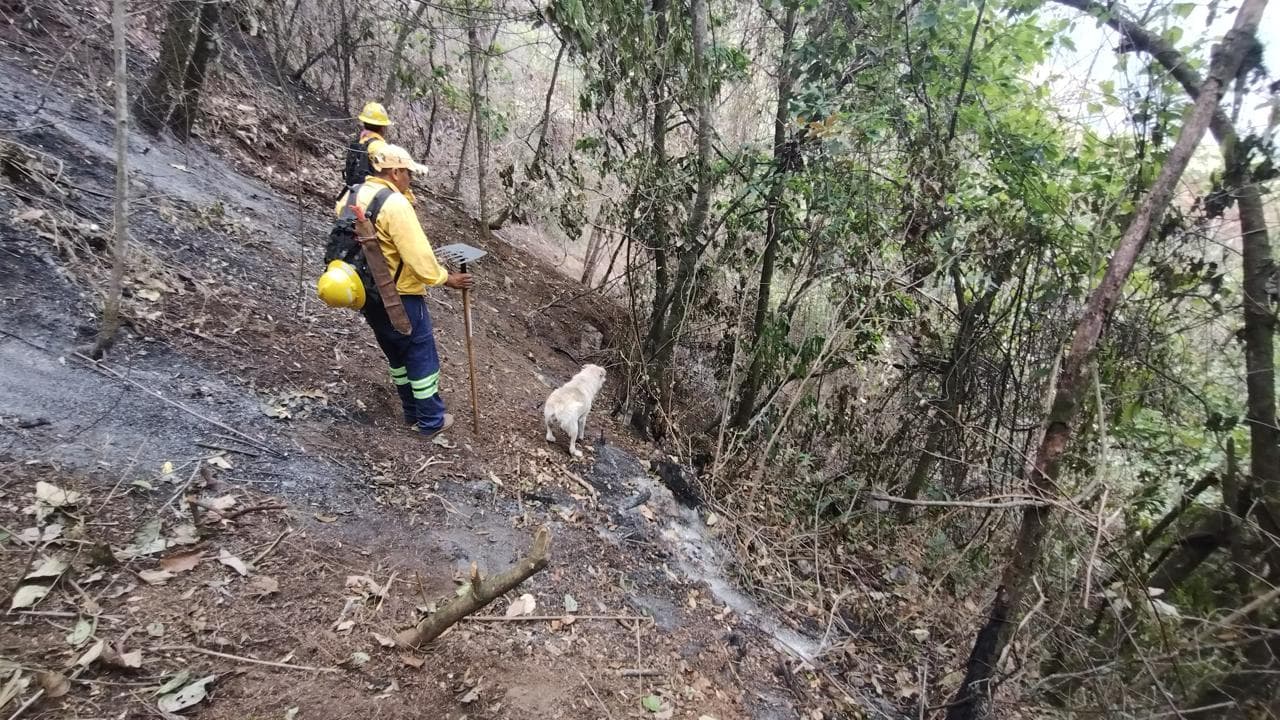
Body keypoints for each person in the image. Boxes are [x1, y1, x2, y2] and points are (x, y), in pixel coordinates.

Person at [334, 144, 473, 437]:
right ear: (395, 172)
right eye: (407, 173)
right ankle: (431, 421)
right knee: (420, 355)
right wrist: (447, 279)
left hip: (365, 292)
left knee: (395, 354)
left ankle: (410, 411)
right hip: (399, 296)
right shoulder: (395, 205)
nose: (410, 178)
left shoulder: (352, 195)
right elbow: (420, 261)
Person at [340, 101, 392, 192]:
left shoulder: (359, 142)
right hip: (371, 197)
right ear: (383, 127)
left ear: (364, 122)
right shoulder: (380, 147)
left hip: (352, 193)